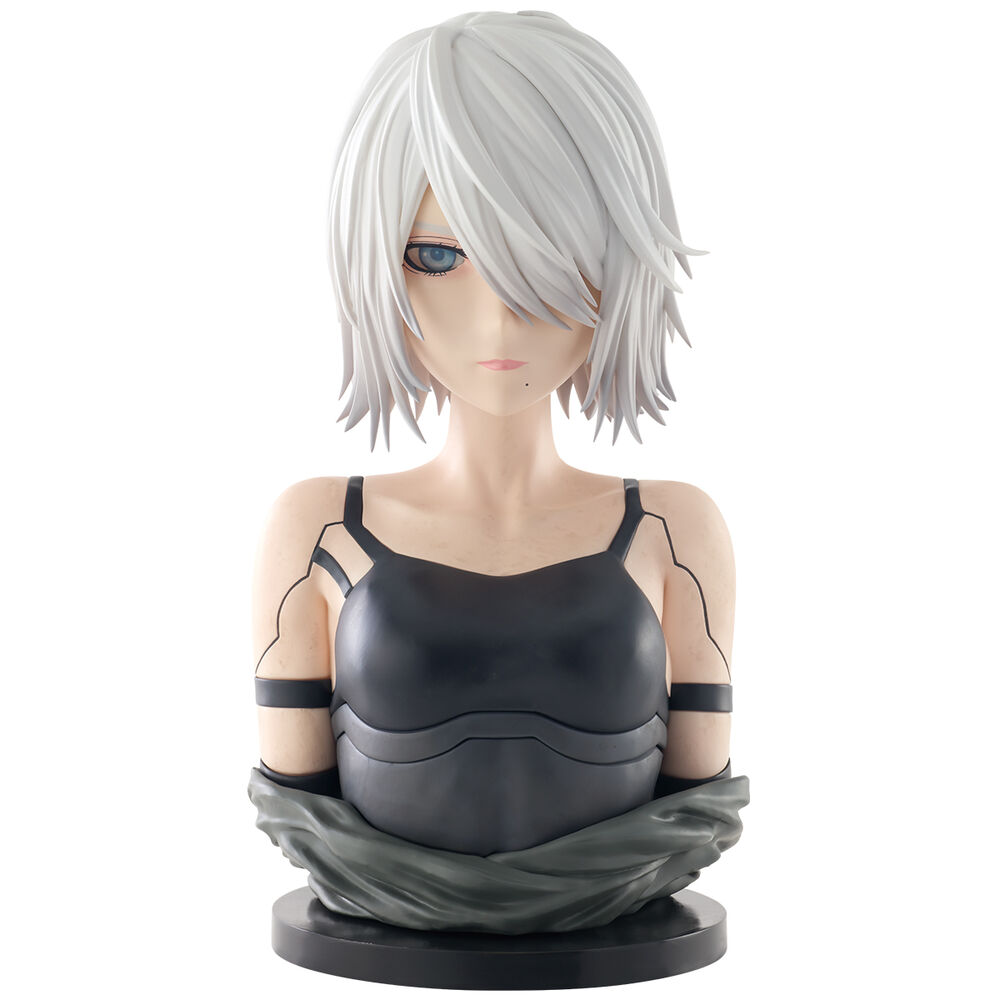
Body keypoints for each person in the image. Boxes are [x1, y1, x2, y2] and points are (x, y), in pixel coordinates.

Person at [249, 9, 747, 936]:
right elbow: (298, 806)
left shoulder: (675, 528)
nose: (499, 319)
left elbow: (698, 803)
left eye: (547, 257)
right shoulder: (317, 528)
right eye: (437, 256)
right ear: (376, 264)